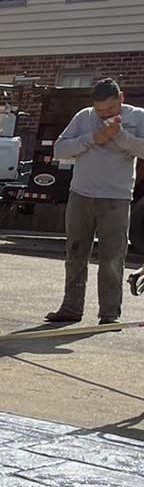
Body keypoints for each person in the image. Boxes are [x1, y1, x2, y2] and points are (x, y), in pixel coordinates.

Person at [47, 79, 144, 324]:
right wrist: (93, 137)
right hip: (81, 195)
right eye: (99, 110)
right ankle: (71, 308)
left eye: (110, 110)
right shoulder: (84, 117)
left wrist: (120, 136)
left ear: (121, 98)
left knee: (112, 257)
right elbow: (60, 149)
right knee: (76, 253)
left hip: (117, 198)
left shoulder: (139, 116)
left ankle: (110, 313)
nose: (104, 115)